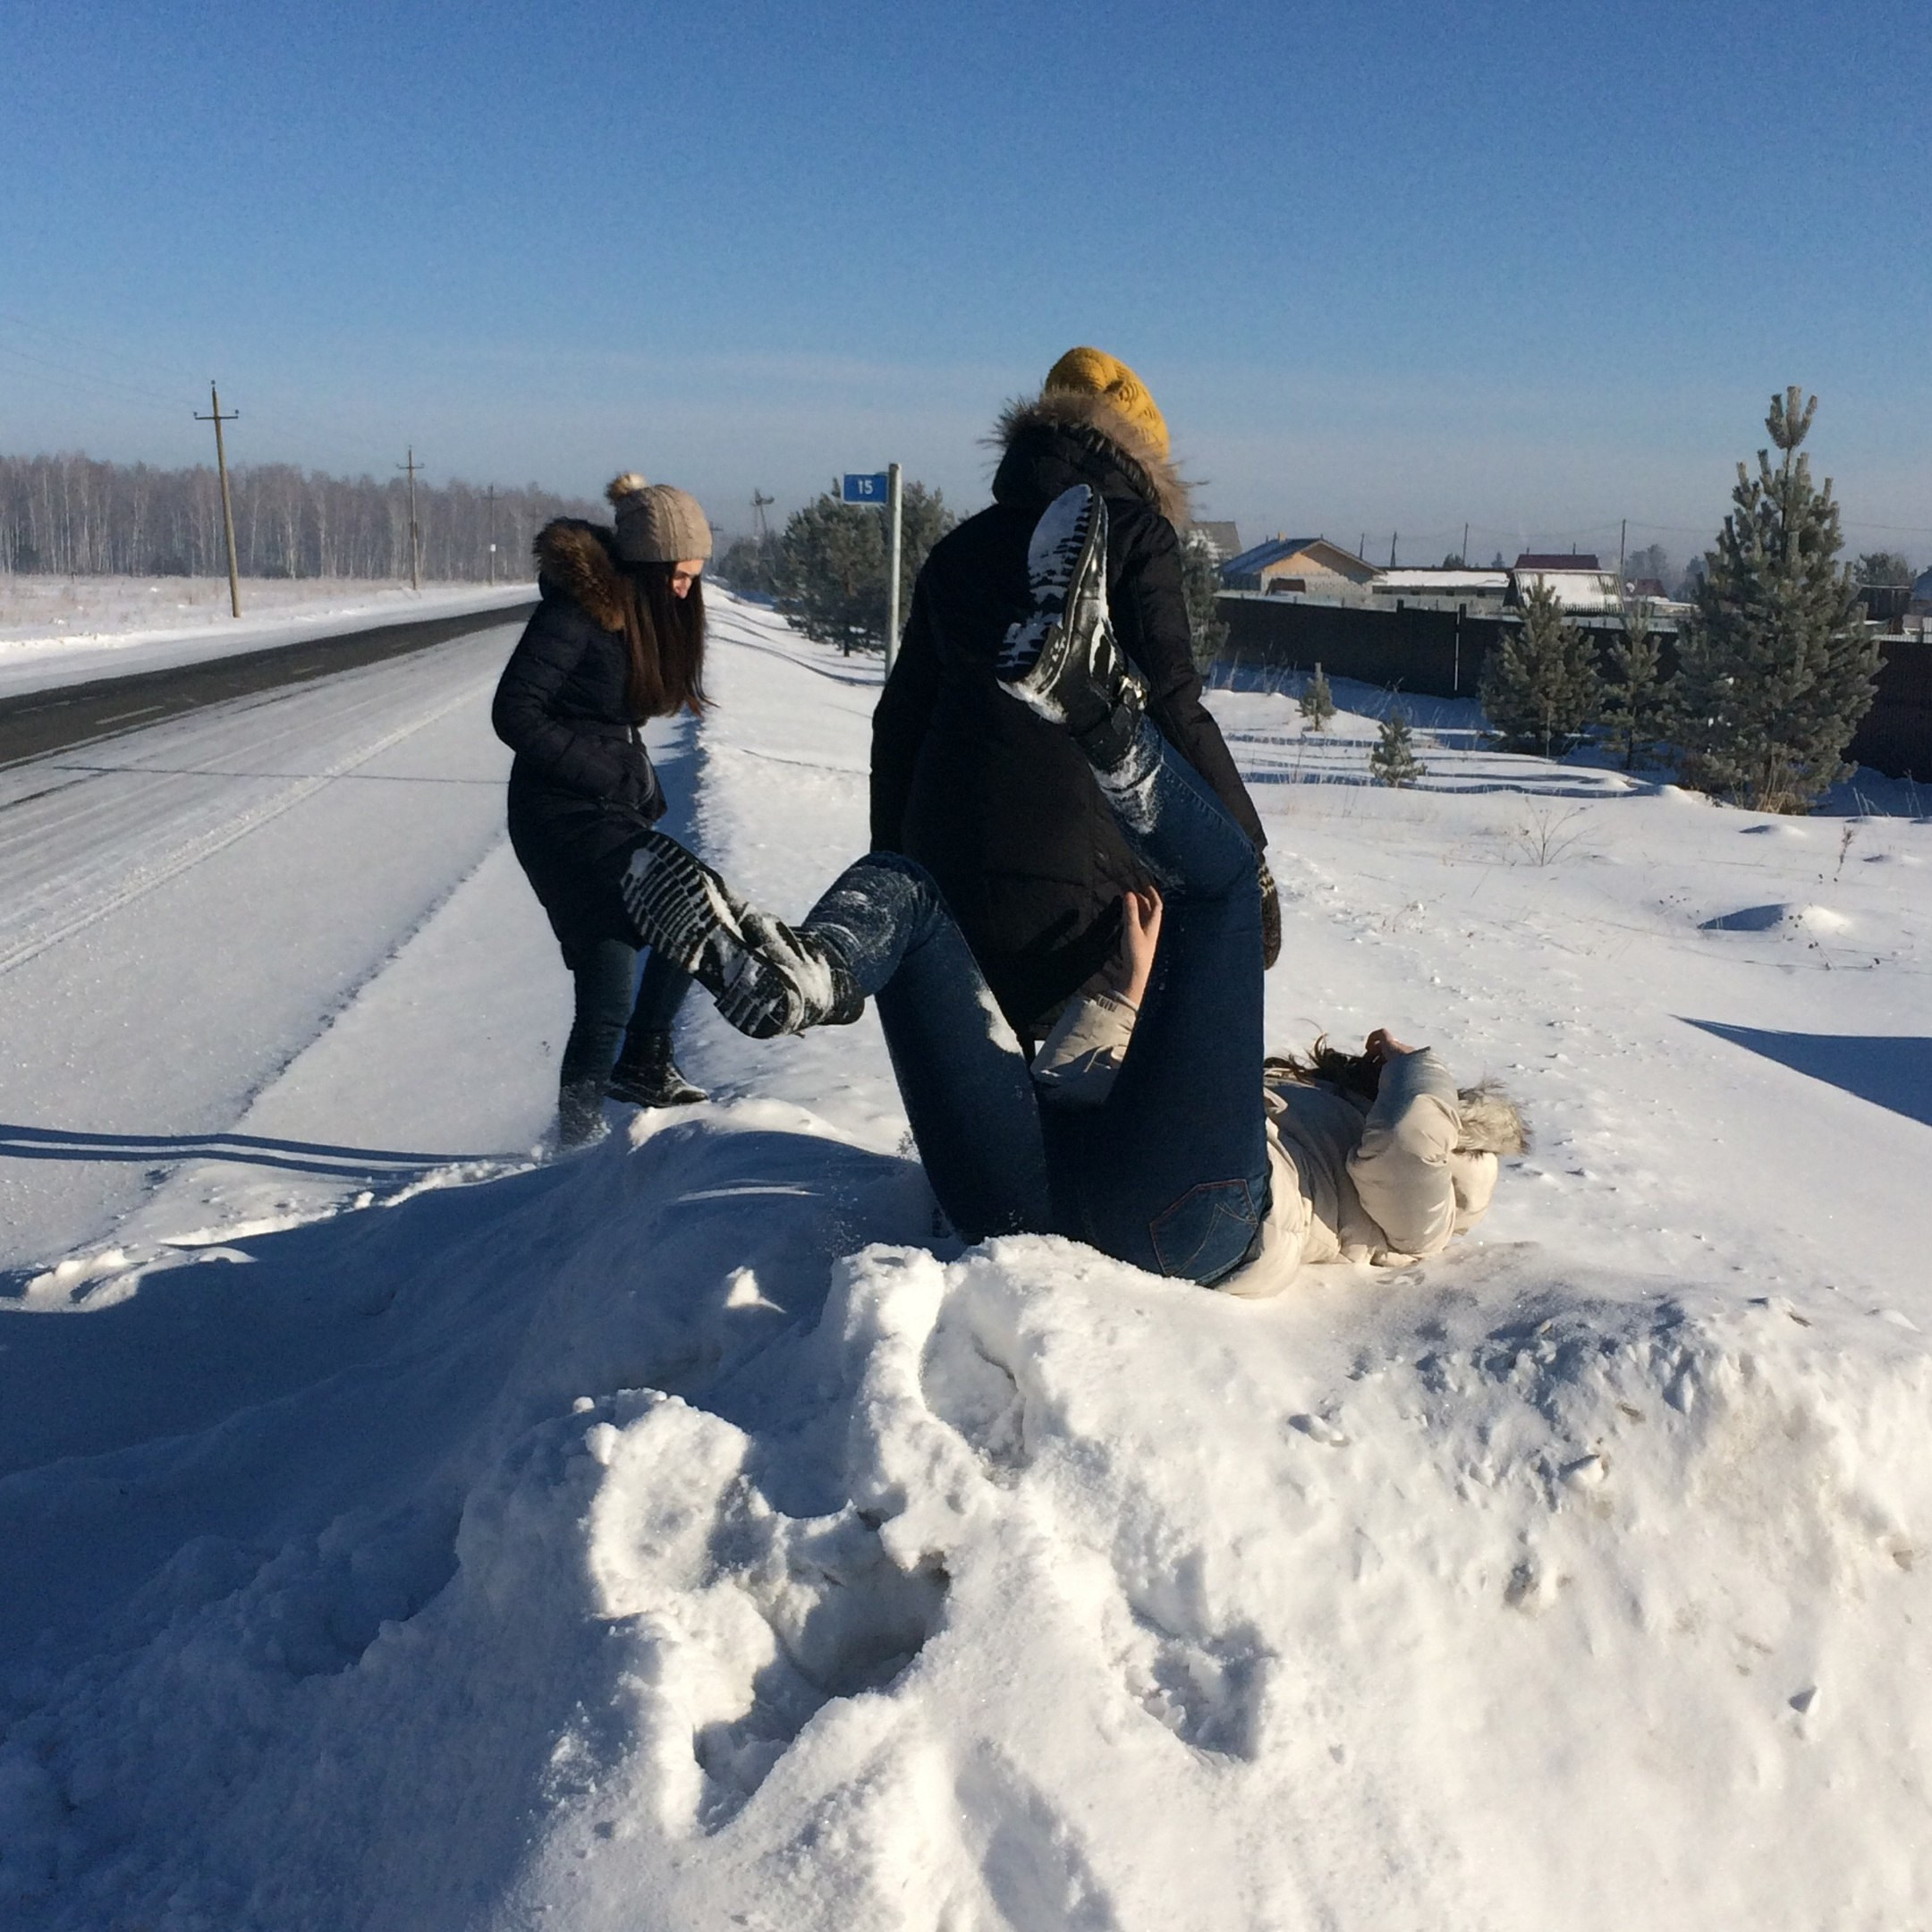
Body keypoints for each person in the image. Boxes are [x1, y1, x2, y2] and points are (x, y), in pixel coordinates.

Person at [620, 486, 1523, 1292]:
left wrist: (1419, 1066)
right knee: (906, 884)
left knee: (1224, 892)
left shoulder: (1451, 1176)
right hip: (1031, 1188)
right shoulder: (1286, 1103)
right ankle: (805, 974)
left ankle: (1093, 702)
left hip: (1193, 1221)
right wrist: (1120, 1002)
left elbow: (1410, 1162)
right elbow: (1081, 1085)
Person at [870, 346, 1277, 1046]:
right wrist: (1250, 864)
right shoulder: (1137, 535)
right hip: (1078, 871)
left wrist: (893, 867)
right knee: (1089, 1090)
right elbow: (1176, 710)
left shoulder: (958, 549)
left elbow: (900, 721)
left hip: (945, 850)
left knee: (985, 1090)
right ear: (1143, 453)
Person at [492, 474, 713, 1148]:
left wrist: (628, 776)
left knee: (609, 989)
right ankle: (599, 1118)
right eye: (677, 575)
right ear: (645, 567)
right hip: (557, 812)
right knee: (689, 897)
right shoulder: (574, 615)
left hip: (604, 808)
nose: (685, 589)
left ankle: (589, 1124)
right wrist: (603, 770)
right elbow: (513, 712)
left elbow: (614, 717)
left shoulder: (641, 614)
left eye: (694, 577)